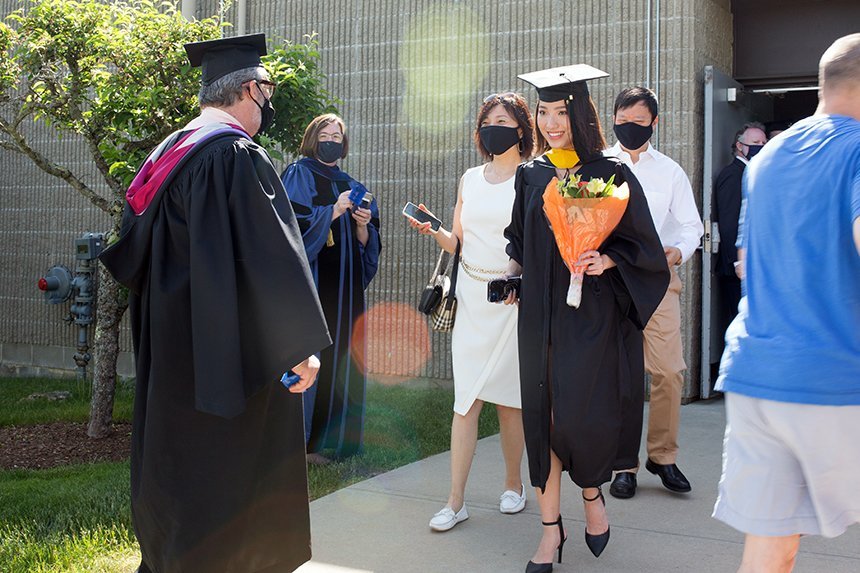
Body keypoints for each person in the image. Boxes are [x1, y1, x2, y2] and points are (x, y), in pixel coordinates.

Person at [98, 34, 332, 573]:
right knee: (230, 477)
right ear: (251, 88)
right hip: (231, 355)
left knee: (178, 470)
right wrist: (298, 348)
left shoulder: (169, 151)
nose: (267, 102)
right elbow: (267, 255)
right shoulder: (233, 154)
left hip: (173, 350)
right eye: (266, 90)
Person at [505, 65, 669, 572]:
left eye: (561, 112)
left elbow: (645, 247)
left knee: (580, 419)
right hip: (539, 319)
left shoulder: (610, 173)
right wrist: (511, 278)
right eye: (544, 112)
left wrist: (608, 258)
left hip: (590, 317)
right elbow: (518, 242)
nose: (552, 123)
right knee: (544, 419)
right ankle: (550, 533)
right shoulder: (531, 174)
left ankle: (592, 495)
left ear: (580, 114)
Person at [713, 33, 860, 573]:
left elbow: (746, 260)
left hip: (758, 377)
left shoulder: (766, 159)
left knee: (772, 543)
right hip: (837, 378)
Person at [407, 92, 534, 532]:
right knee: (466, 403)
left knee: (511, 404)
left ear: (520, 128)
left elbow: (535, 243)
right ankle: (455, 501)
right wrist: (434, 227)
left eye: (501, 119)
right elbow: (458, 243)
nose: (491, 127)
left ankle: (514, 484)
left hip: (511, 301)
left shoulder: (533, 177)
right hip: (472, 301)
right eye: (486, 120)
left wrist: (516, 279)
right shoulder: (469, 178)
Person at [605, 87, 705, 499]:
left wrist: (678, 250)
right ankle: (623, 465)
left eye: (638, 123)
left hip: (658, 282)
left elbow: (691, 226)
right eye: (622, 121)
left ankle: (662, 456)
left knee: (668, 371)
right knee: (621, 378)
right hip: (609, 284)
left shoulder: (670, 171)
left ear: (654, 123)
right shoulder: (597, 165)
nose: (629, 129)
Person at [281, 114, 381, 463]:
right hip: (315, 282)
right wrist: (333, 210)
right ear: (313, 138)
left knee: (345, 356)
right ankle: (304, 443)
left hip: (346, 289)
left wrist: (363, 227)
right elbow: (290, 226)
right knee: (315, 353)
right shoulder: (299, 173)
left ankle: (340, 442)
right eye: (324, 134)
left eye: (337, 135)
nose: (331, 140)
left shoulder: (353, 183)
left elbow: (368, 248)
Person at [712, 122, 767, 347]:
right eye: (755, 143)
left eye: (764, 143)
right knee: (738, 323)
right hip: (737, 267)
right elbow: (729, 222)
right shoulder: (733, 175)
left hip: (749, 265)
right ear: (739, 146)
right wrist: (737, 261)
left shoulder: (753, 173)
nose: (761, 147)